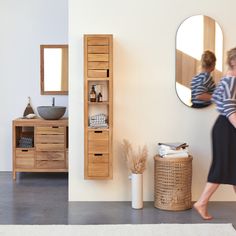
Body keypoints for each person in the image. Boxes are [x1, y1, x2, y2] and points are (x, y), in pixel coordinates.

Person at [194, 47, 236, 220]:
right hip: (227, 128)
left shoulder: (228, 78)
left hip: (226, 127)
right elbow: (228, 107)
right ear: (233, 61)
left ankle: (202, 202)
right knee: (221, 167)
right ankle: (201, 202)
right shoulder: (231, 80)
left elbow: (221, 100)